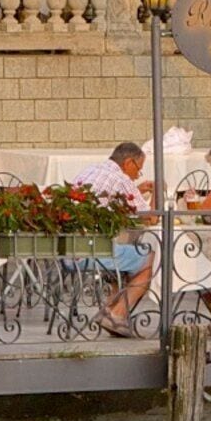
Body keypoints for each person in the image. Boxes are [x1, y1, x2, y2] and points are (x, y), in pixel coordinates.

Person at [76, 141, 153, 336]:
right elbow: (152, 217)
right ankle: (116, 314)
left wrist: (137, 189)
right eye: (138, 170)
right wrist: (158, 193)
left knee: (127, 252)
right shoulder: (120, 178)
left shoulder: (93, 170)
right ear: (128, 163)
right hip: (92, 251)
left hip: (69, 250)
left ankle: (109, 309)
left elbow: (113, 198)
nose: (137, 175)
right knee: (153, 258)